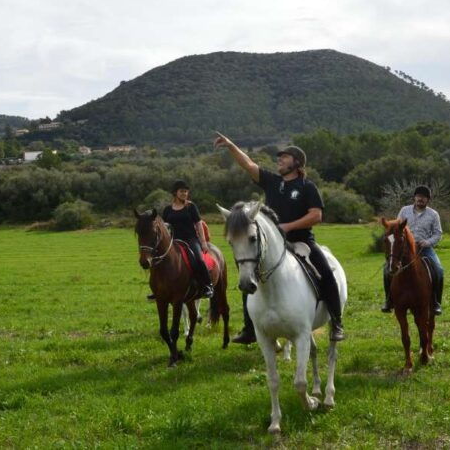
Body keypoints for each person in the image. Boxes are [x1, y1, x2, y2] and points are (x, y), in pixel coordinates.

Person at [213, 131, 346, 343]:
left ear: (297, 163)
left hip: (302, 241)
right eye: (279, 158)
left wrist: (288, 226)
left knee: (326, 272)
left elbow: (316, 215)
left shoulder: (307, 187)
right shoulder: (272, 182)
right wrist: (230, 145)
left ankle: (337, 323)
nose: (280, 160)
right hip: (273, 244)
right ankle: (250, 329)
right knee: (250, 275)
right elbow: (248, 165)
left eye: (284, 157)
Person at [381, 185, 445, 315]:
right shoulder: (404, 210)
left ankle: (436, 302)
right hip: (404, 249)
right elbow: (395, 228)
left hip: (424, 249)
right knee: (386, 270)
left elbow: (438, 233)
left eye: (424, 197)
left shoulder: (433, 214)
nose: (420, 199)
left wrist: (427, 242)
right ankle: (389, 300)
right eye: (418, 196)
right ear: (414, 198)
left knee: (439, 270)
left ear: (428, 200)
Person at [148, 180, 214, 300]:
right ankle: (157, 289)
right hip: (173, 241)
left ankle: (207, 285)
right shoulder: (168, 209)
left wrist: (203, 242)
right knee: (157, 260)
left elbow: (199, 224)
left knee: (198, 260)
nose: (184, 193)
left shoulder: (191, 207)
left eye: (186, 191)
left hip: (190, 240)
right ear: (175, 193)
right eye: (182, 191)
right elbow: (164, 226)